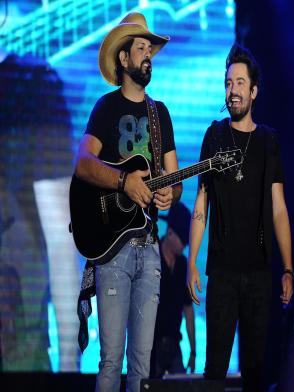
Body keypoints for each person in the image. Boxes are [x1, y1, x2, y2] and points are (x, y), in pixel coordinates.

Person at [74, 12, 182, 392]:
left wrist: (172, 192)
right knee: (110, 359)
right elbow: (83, 164)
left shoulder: (160, 114)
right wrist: (123, 181)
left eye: (151, 48)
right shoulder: (106, 108)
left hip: (150, 249)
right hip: (113, 253)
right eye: (141, 47)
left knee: (142, 365)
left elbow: (174, 176)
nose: (148, 54)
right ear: (124, 59)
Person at [187, 43, 294, 392]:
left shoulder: (267, 141)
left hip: (259, 273)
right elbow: (201, 202)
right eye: (228, 83)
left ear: (254, 90)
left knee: (255, 371)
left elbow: (278, 207)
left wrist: (288, 268)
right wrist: (192, 262)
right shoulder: (214, 134)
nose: (232, 90)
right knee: (215, 370)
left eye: (239, 83)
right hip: (222, 271)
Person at [150, 202, 196, 378]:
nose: (185, 245)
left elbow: (188, 308)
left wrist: (193, 351)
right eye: (182, 239)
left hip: (174, 345)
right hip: (152, 346)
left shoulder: (183, 264)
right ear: (170, 233)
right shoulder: (152, 258)